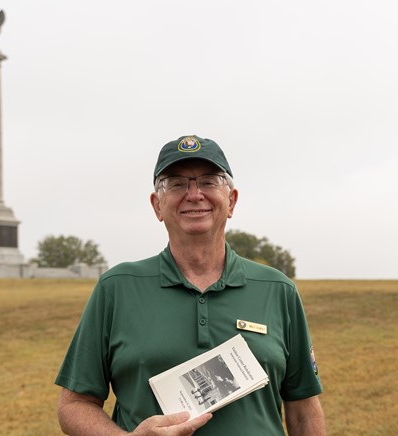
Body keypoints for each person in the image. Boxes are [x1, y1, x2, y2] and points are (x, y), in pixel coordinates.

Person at [55, 135, 326, 435]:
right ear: (157, 205)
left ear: (232, 201)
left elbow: (303, 409)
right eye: (176, 184)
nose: (194, 194)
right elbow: (73, 405)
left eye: (209, 182)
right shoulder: (116, 288)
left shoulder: (278, 290)